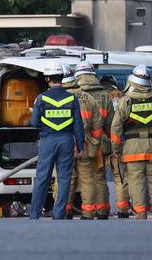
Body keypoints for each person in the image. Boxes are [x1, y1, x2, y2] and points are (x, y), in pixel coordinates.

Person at [111, 64, 152, 220]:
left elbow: (116, 127)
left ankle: (140, 213)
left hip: (132, 149)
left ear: (133, 81)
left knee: (135, 181)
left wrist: (117, 148)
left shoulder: (126, 101)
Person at [30, 61, 84, 220]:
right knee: (64, 178)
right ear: (62, 77)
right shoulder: (72, 99)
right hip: (67, 140)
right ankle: (59, 213)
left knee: (42, 178)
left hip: (48, 140)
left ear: (48, 79)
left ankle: (34, 214)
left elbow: (35, 123)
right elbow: (78, 125)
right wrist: (80, 146)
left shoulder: (41, 98)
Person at [53, 63, 102, 219]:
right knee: (88, 181)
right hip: (85, 145)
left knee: (65, 180)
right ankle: (88, 212)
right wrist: (94, 142)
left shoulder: (53, 96)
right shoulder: (88, 98)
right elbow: (97, 126)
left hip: (62, 145)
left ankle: (64, 211)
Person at [75, 61, 113, 219]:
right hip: (99, 142)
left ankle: (68, 210)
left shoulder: (75, 94)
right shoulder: (105, 95)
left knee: (73, 178)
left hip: (77, 141)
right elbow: (111, 123)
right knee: (98, 176)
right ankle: (103, 211)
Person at [99, 75, 130, 218]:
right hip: (118, 142)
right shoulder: (121, 96)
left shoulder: (98, 96)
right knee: (120, 178)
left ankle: (101, 210)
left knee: (99, 177)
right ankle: (123, 210)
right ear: (115, 84)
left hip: (101, 143)